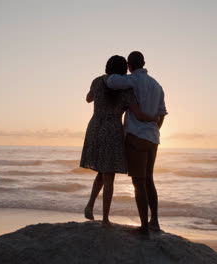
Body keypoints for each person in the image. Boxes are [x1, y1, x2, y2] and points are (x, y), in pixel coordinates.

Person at [80, 55, 157, 226]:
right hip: (112, 130)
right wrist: (153, 118)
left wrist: (96, 89)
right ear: (124, 69)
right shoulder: (126, 90)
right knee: (109, 175)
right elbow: (137, 114)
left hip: (95, 127)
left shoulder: (98, 81)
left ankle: (90, 206)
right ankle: (105, 218)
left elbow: (88, 98)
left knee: (102, 170)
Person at [106, 51, 167, 235]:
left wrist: (118, 72)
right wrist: (155, 129)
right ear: (144, 63)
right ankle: (154, 221)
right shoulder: (157, 85)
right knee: (149, 180)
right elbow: (162, 113)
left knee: (138, 183)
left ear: (130, 66)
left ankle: (144, 227)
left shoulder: (133, 80)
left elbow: (111, 81)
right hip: (153, 138)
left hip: (136, 136)